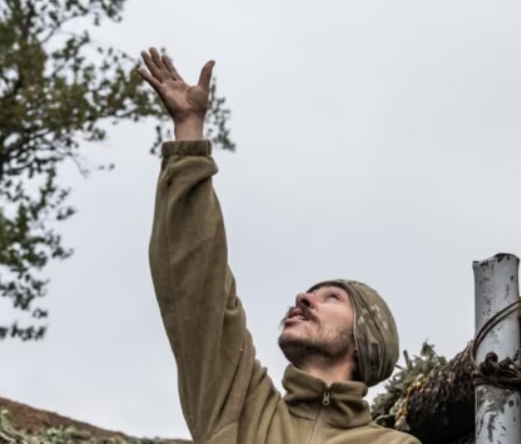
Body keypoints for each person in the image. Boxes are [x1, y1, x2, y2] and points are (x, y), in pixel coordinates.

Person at [138, 47, 420, 444]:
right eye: (312, 292)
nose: (303, 297)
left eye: (333, 298)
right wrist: (188, 131)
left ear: (365, 341)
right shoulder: (238, 407)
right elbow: (199, 291)